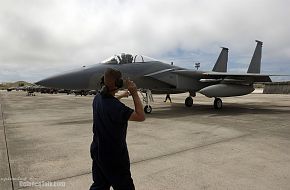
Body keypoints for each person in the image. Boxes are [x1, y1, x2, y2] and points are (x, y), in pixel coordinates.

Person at [90, 68, 145, 190]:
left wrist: (121, 95)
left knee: (99, 186)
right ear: (119, 83)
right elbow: (140, 116)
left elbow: (109, 103)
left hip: (97, 150)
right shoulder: (116, 108)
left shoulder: (97, 98)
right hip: (114, 157)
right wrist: (134, 92)